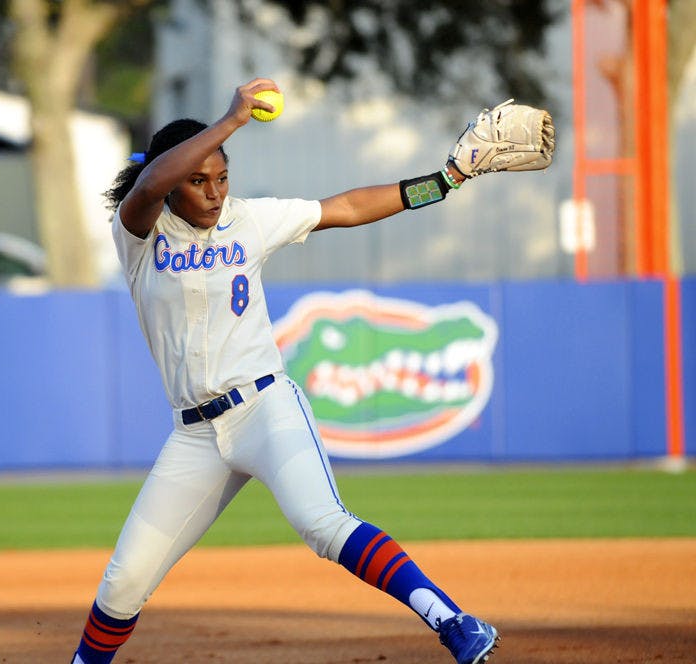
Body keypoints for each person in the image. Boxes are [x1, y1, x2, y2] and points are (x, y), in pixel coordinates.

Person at [70, 77, 552, 664]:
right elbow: (148, 182)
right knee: (123, 582)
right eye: (198, 180)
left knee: (321, 522)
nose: (215, 192)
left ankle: (454, 622)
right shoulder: (139, 234)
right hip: (195, 435)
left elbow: (346, 208)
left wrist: (445, 180)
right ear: (173, 185)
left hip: (264, 408)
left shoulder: (249, 222)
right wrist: (230, 122)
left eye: (223, 177)